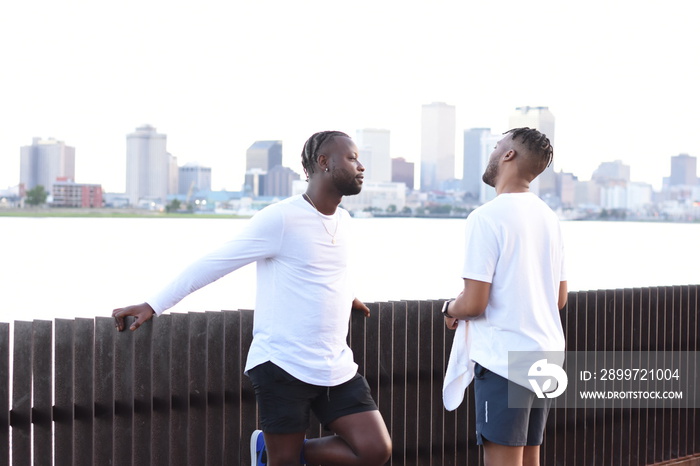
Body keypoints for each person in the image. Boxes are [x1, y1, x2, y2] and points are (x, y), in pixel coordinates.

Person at [113, 131, 392, 466]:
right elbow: (216, 263)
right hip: (283, 365)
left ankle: (268, 452)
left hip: (335, 365)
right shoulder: (281, 218)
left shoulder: (344, 220)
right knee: (284, 464)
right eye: (352, 158)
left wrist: (347, 296)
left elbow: (324, 269)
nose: (361, 166)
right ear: (323, 163)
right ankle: (275, 455)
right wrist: (153, 304)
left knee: (376, 450)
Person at [442, 127, 567, 466]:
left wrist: (449, 308)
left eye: (497, 146)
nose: (493, 151)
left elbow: (474, 304)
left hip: (505, 360)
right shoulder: (549, 218)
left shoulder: (486, 218)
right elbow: (558, 299)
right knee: (529, 459)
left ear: (509, 155)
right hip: (543, 355)